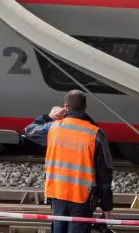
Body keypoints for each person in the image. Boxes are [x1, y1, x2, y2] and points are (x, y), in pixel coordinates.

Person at [23, 91, 114, 233]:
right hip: (82, 200)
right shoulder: (96, 134)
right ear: (85, 107)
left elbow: (28, 131)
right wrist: (106, 209)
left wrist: (48, 116)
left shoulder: (53, 128)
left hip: (57, 195)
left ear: (65, 107)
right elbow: (105, 177)